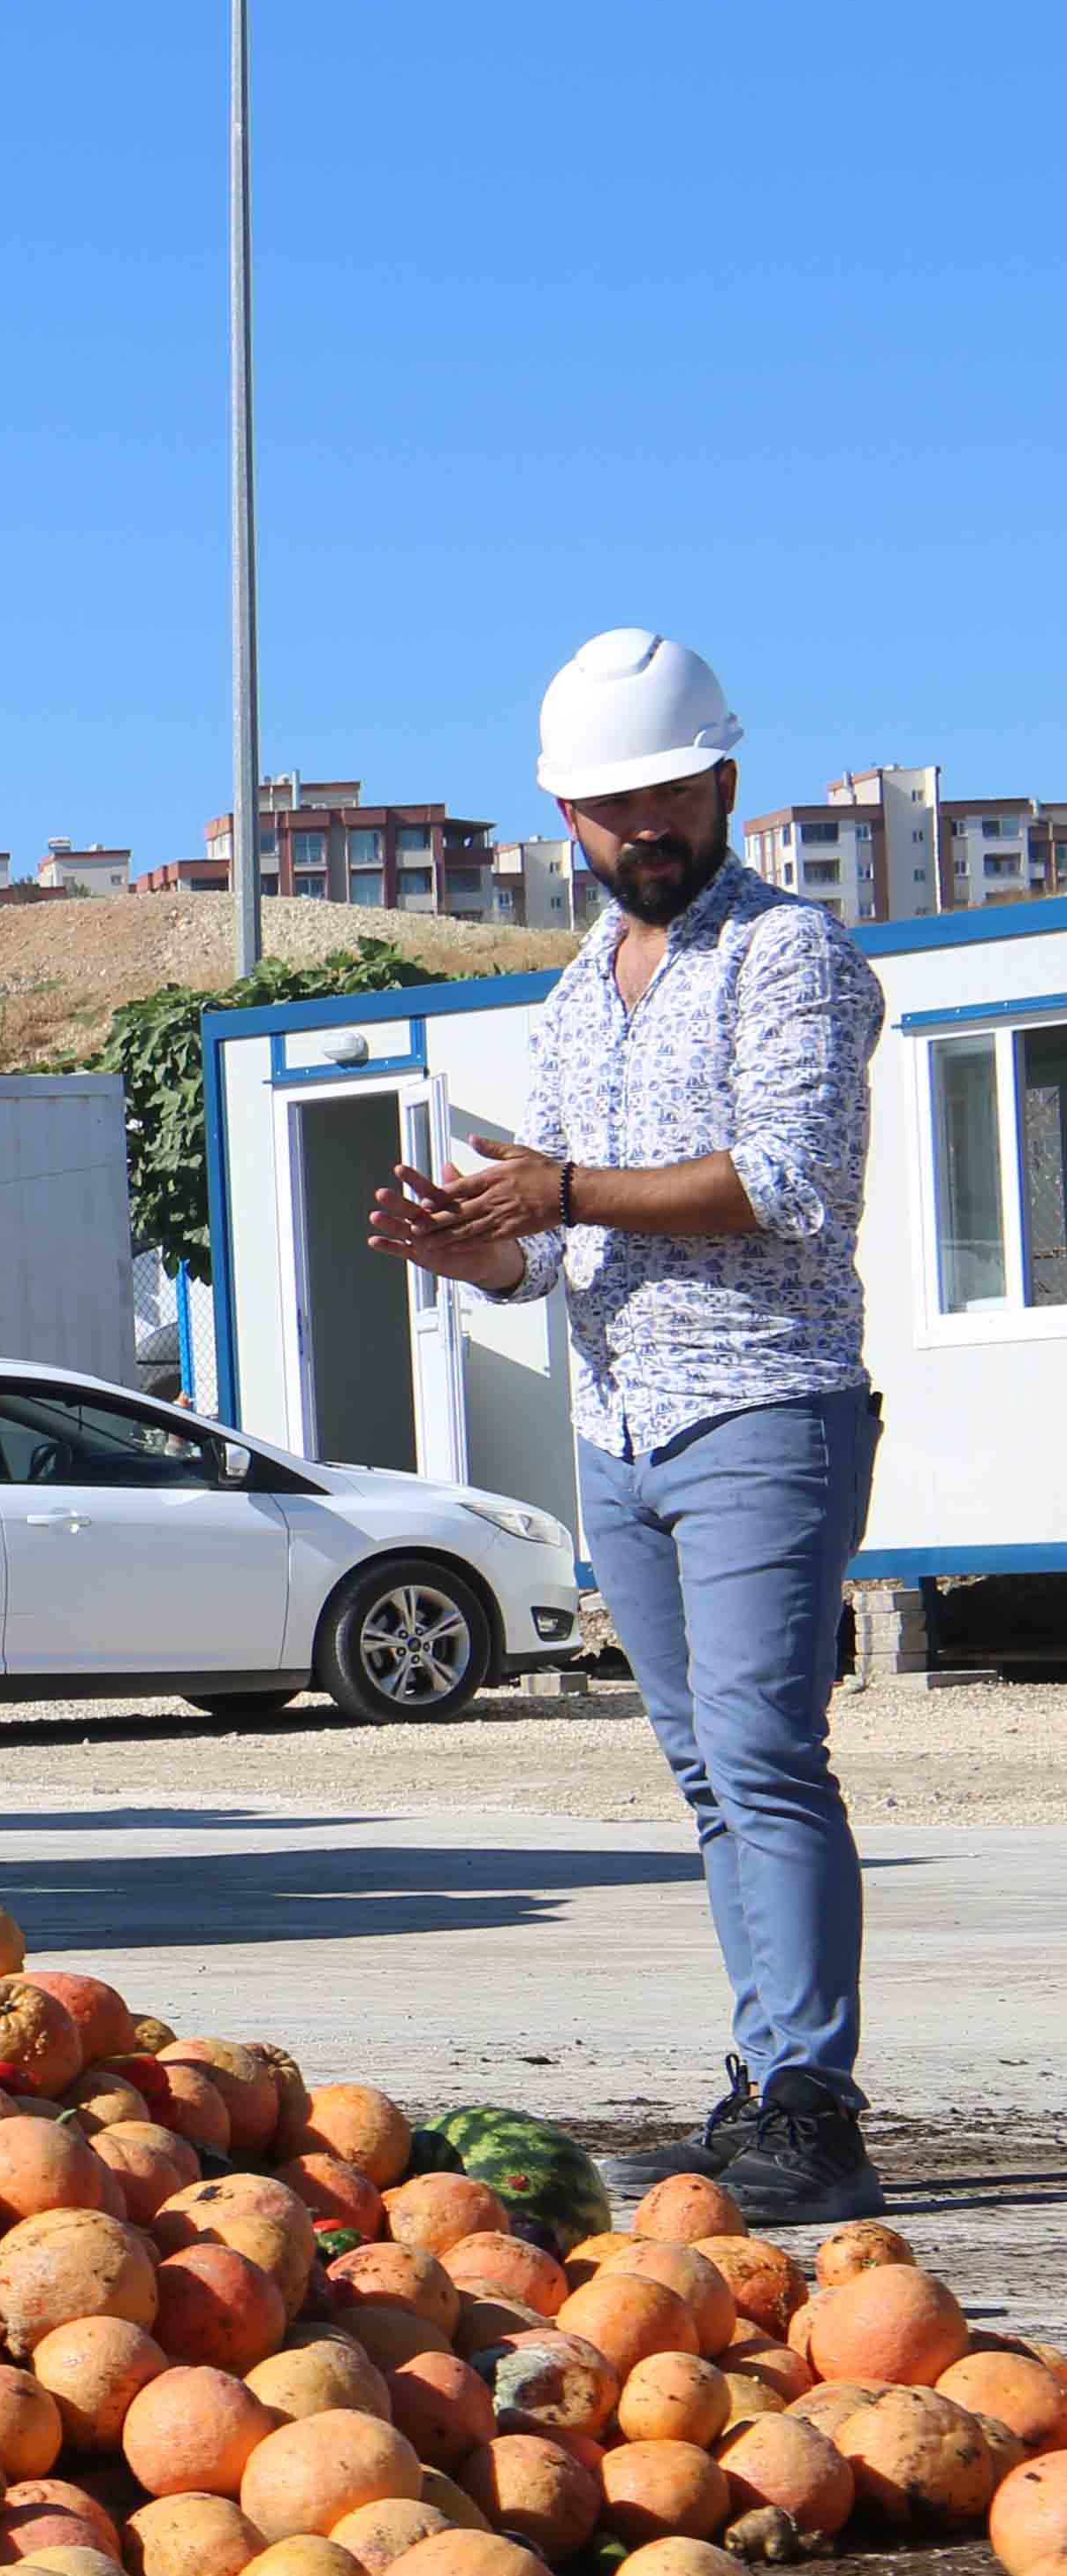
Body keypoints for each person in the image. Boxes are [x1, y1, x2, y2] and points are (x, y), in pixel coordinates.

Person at [364, 631, 889, 2218]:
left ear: (725, 785)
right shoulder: (583, 988)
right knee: (707, 1771)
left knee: (763, 1754)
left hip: (764, 1411)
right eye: (609, 809)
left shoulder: (791, 957)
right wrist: (488, 1248)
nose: (640, 830)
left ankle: (814, 2107)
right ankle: (767, 2079)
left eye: (667, 798)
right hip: (625, 1431)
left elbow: (795, 1183)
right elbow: (559, 1243)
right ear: (569, 824)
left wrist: (562, 1190)